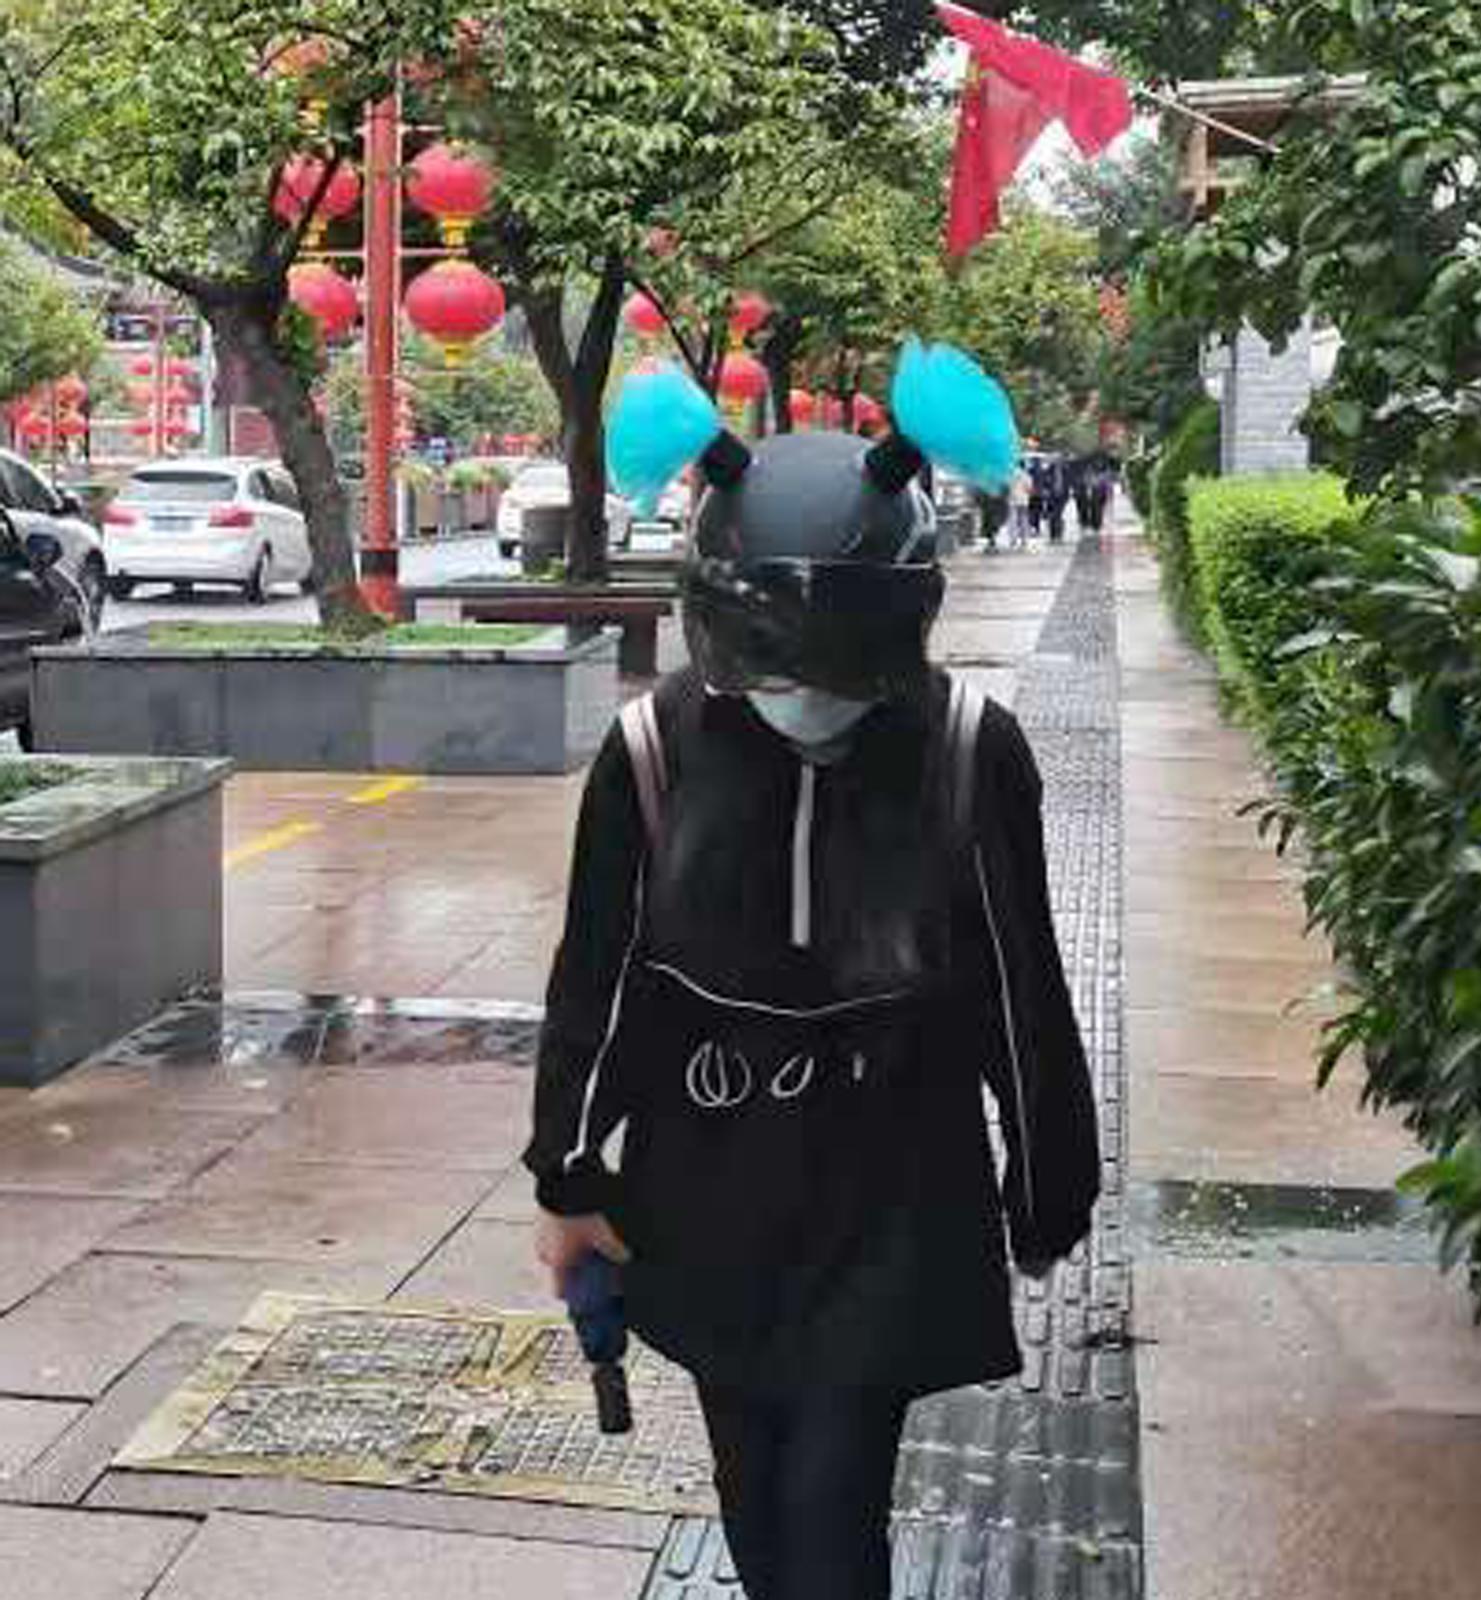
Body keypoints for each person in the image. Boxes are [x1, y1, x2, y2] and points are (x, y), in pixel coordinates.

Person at [526, 341, 1100, 1600]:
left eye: (831, 664)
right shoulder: (652, 748)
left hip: (894, 1177)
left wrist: (1048, 1179)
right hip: (707, 1176)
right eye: (772, 661)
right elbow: (598, 977)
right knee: (752, 1482)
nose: (802, 697)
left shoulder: (966, 747)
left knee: (834, 1505)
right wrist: (566, 1173)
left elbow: (1019, 986)